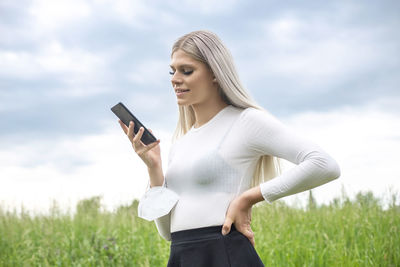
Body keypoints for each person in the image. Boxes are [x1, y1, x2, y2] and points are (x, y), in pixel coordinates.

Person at [118, 30, 341, 266]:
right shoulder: (181, 144)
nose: (174, 79)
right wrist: (154, 167)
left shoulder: (246, 122)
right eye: (172, 71)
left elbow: (324, 164)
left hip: (224, 253)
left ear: (214, 73)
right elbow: (168, 233)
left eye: (187, 70)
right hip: (182, 256)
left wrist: (247, 198)